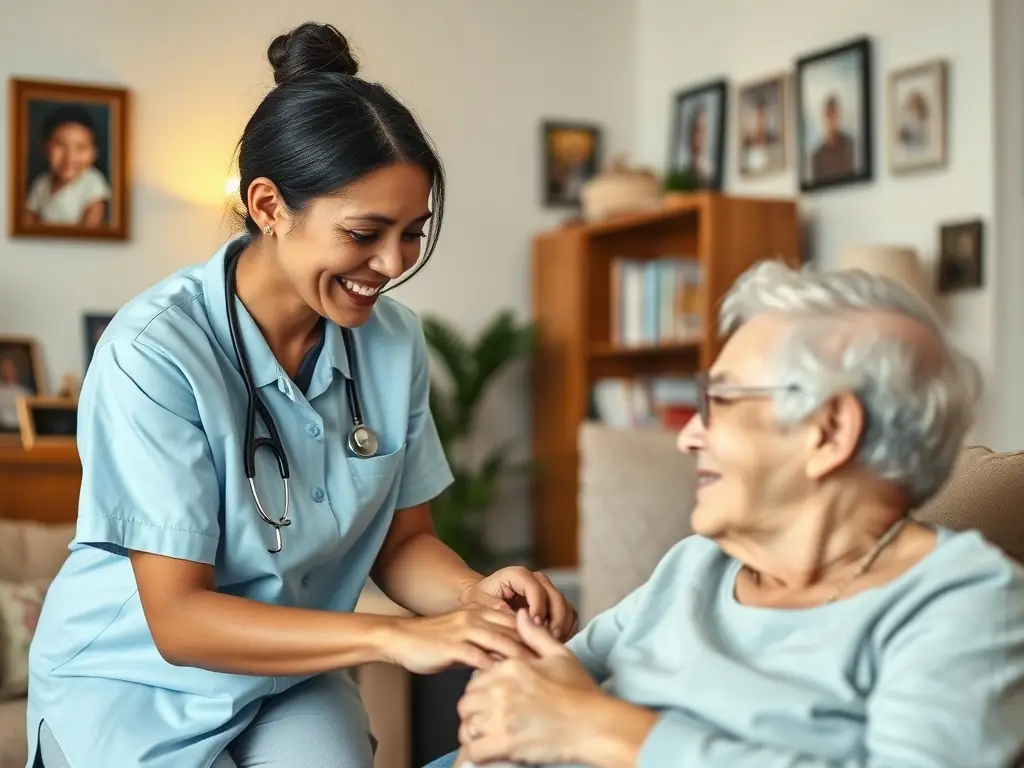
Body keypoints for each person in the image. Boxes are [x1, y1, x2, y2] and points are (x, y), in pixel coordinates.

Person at [27, 22, 576, 768]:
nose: (392, 264)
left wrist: (477, 598)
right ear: (268, 205)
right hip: (132, 678)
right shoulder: (153, 351)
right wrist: (392, 636)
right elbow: (179, 618)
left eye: (412, 232)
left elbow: (404, 542)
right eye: (364, 232)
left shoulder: (392, 343)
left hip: (281, 675)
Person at [430, 260, 1024, 768]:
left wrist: (602, 728)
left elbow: (574, 712)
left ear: (829, 430)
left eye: (720, 403)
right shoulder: (696, 565)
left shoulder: (961, 600)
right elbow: (539, 690)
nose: (688, 436)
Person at [24, 105, 111, 227]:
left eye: (81, 148)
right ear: (45, 148)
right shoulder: (41, 184)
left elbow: (91, 228)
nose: (70, 157)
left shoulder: (93, 183)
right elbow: (28, 221)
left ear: (94, 153)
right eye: (60, 145)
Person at [810, 93, 855, 182]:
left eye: (833, 114)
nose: (831, 119)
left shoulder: (849, 144)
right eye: (828, 114)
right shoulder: (818, 154)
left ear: (838, 116)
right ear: (824, 118)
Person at [0, 353, 30, 431]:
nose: (7, 371)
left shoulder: (25, 392)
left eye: (10, 367)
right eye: (5, 367)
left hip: (19, 430)